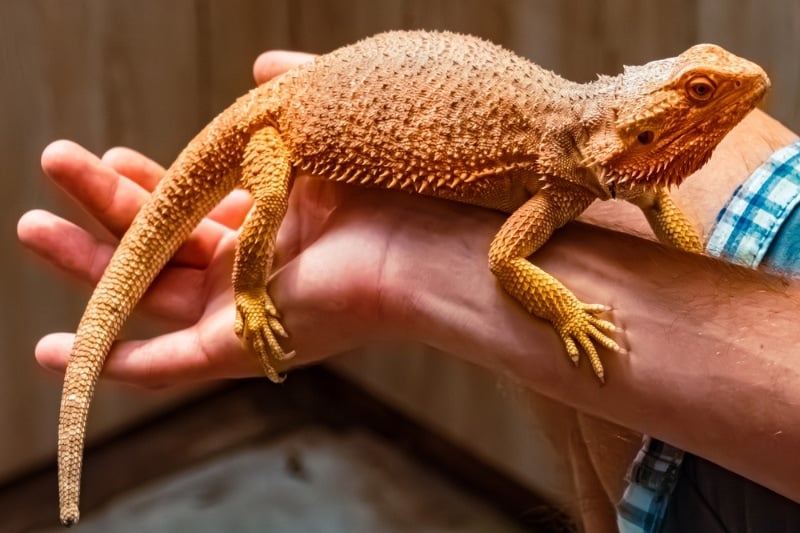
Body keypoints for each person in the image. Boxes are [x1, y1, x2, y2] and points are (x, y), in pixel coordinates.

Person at [17, 50, 800, 531]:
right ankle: (253, 287)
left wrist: (694, 269)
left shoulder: (598, 165)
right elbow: (505, 259)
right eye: (697, 90)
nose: (732, 93)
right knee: (263, 211)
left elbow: (656, 197)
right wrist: (565, 308)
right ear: (639, 122)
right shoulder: (571, 168)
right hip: (280, 129)